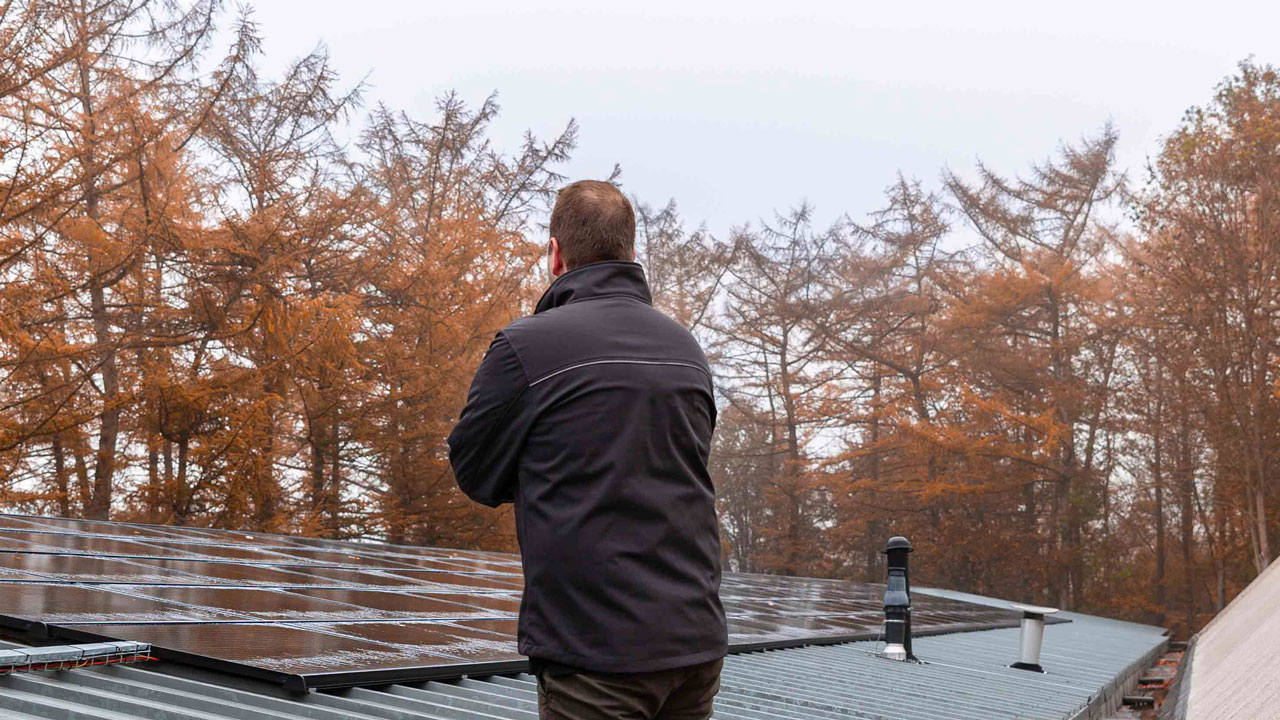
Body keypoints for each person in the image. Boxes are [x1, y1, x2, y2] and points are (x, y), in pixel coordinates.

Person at [448, 180, 726, 719]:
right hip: (696, 647)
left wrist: (549, 475)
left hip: (598, 655)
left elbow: (474, 472)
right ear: (632, 252)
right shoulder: (686, 350)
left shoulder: (526, 347)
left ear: (555, 254)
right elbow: (683, 466)